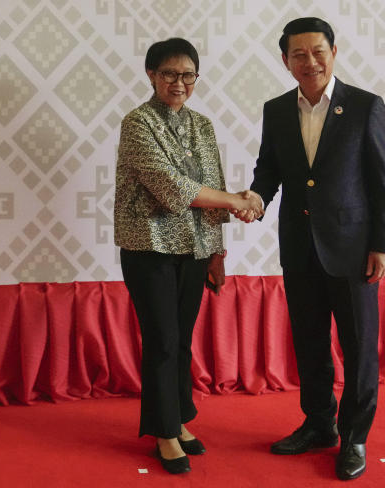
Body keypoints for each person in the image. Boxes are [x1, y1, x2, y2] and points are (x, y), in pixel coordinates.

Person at [244, 17, 385, 480]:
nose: (308, 61)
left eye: (317, 51)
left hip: (353, 251)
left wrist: (383, 245)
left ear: (334, 51)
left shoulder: (365, 106)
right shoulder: (275, 110)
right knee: (309, 344)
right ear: (286, 60)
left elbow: (383, 182)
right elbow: (269, 170)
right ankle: (318, 425)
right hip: (299, 248)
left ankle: (353, 437)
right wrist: (254, 198)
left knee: (358, 348)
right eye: (298, 54)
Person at [114, 37, 263, 475]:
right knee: (161, 340)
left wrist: (217, 253)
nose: (178, 83)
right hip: (150, 248)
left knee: (180, 340)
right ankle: (162, 431)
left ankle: (178, 420)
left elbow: (210, 183)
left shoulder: (202, 126)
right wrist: (238, 200)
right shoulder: (137, 123)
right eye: (169, 74)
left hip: (194, 250)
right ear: (151, 75)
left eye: (187, 75)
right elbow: (173, 187)